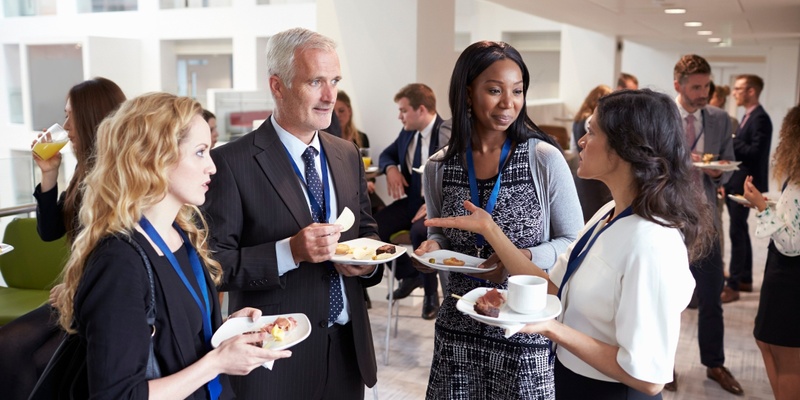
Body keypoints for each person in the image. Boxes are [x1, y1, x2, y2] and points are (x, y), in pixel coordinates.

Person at [427, 89, 716, 399]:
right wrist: (490, 229)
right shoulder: (609, 213)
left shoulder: (652, 242)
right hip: (572, 380)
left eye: (591, 132)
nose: (581, 140)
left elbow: (648, 377)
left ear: (623, 148)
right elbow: (552, 287)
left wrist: (550, 328)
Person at [53, 92, 291, 398]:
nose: (212, 167)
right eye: (200, 152)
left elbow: (178, 334)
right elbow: (117, 394)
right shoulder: (119, 262)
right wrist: (217, 363)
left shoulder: (181, 234)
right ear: (157, 157)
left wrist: (228, 330)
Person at [201, 27, 381, 399]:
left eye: (334, 81)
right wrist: (290, 252)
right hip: (275, 360)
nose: (330, 96)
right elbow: (213, 265)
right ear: (277, 86)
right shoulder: (230, 163)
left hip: (348, 351)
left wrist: (367, 262)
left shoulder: (346, 153)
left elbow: (367, 229)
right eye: (315, 81)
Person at [417, 40, 583, 399]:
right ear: (467, 94)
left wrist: (523, 257)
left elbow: (572, 242)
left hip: (523, 330)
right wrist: (433, 250)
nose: (509, 103)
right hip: (459, 328)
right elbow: (444, 236)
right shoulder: (439, 167)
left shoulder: (543, 159)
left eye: (517, 91)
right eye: (494, 90)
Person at [0, 77, 126, 400]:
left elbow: (118, 252)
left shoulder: (121, 178)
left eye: (70, 116)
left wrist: (76, 287)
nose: (65, 125)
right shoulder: (86, 170)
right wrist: (49, 174)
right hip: (76, 295)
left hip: (100, 300)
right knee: (8, 344)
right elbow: (49, 231)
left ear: (89, 118)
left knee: (37, 359)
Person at [666, 54, 742, 395]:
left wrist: (716, 169)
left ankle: (714, 363)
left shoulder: (721, 119)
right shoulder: (663, 117)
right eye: (695, 86)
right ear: (678, 85)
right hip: (667, 221)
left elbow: (727, 162)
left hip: (706, 221)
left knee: (711, 297)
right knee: (665, 299)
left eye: (706, 86)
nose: (702, 92)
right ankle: (664, 364)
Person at [376, 83, 450, 320]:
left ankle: (431, 296)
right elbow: (386, 155)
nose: (400, 116)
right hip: (411, 203)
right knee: (375, 227)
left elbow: (457, 177)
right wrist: (390, 169)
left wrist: (432, 203)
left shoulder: (447, 132)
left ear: (420, 109)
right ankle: (409, 274)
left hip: (437, 207)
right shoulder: (407, 133)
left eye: (403, 110)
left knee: (421, 233)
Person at [744, 104, 800, 400]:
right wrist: (770, 206)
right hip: (783, 273)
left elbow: (793, 243)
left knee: (786, 353)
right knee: (766, 341)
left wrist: (764, 208)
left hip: (791, 276)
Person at [723, 74, 774, 303]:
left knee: (737, 231)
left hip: (747, 185)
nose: (734, 92)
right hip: (738, 182)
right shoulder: (749, 116)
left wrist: (732, 140)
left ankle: (733, 284)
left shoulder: (760, 118)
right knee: (740, 230)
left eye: (739, 88)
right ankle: (744, 278)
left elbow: (755, 153)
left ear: (751, 91)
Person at [335, 90, 384, 215]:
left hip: (361, 188)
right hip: (339, 190)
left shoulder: (361, 137)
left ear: (349, 111)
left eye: (341, 111)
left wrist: (370, 182)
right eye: (333, 112)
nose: (337, 115)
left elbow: (367, 166)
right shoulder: (325, 139)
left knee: (380, 210)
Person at [572, 84, 613, 222]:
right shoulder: (592, 120)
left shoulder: (578, 119)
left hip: (582, 173)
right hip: (593, 182)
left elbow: (573, 147)